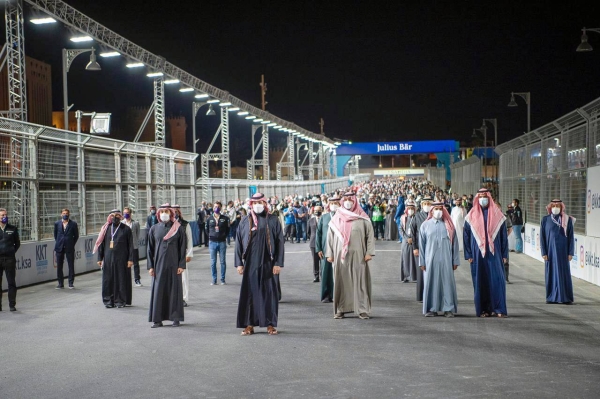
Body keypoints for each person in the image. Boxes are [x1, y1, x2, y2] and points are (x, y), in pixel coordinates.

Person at [235, 193, 284, 336]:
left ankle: (270, 324)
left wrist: (278, 263)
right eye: (254, 202)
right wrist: (239, 263)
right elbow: (238, 242)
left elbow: (280, 242)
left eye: (260, 202)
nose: (257, 205)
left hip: (269, 263)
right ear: (251, 204)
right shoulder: (245, 221)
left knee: (269, 294)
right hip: (250, 263)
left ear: (264, 204)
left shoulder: (273, 220)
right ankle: (249, 325)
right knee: (250, 294)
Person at [326, 191, 375, 320]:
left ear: (355, 201)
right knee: (341, 282)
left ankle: (362, 309)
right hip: (340, 256)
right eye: (346, 199)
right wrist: (329, 254)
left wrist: (369, 252)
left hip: (359, 255)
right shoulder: (336, 218)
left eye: (350, 199)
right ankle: (340, 309)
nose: (348, 202)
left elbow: (370, 236)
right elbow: (330, 237)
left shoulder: (362, 218)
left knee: (360, 282)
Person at [464, 188, 509, 318]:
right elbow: (466, 236)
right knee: (481, 281)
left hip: (495, 254)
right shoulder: (470, 216)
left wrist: (505, 254)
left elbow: (503, 237)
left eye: (485, 196)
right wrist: (469, 254)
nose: (483, 199)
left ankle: (499, 308)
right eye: (481, 196)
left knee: (497, 280)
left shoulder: (498, 215)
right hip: (477, 255)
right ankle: (484, 309)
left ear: (489, 198)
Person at [147, 203, 186, 328]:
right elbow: (150, 249)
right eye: (162, 211)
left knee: (175, 290)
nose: (164, 214)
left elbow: (182, 247)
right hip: (158, 266)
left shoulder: (178, 228)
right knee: (158, 291)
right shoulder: (154, 229)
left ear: (171, 213)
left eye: (167, 211)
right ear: (159, 213)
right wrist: (151, 267)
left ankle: (176, 318)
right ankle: (157, 320)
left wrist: (181, 265)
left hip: (174, 265)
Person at [419, 202, 460, 317]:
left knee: (447, 283)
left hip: (446, 260)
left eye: (440, 209)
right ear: (431, 211)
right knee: (431, 283)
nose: (438, 211)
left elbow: (455, 244)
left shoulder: (449, 226)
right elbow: (422, 245)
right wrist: (422, 261)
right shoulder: (425, 226)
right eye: (436, 209)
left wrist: (455, 260)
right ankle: (432, 309)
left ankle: (448, 308)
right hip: (429, 260)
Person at [94, 210, 134, 308]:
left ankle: (120, 300)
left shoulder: (126, 229)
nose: (114, 217)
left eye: (117, 215)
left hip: (122, 259)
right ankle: (108, 300)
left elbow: (130, 246)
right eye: (112, 216)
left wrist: (130, 259)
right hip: (108, 259)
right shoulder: (106, 229)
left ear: (120, 217)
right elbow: (101, 244)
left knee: (120, 279)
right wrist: (100, 258)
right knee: (108, 280)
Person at [540, 199, 575, 304]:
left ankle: (565, 297)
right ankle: (551, 297)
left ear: (561, 207)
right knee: (551, 273)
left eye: (558, 205)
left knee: (563, 274)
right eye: (554, 205)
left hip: (563, 252)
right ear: (550, 207)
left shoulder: (567, 220)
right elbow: (542, 237)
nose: (555, 207)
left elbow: (571, 237)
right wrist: (544, 252)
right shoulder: (545, 219)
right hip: (550, 253)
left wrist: (570, 252)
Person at [316, 195, 340, 303]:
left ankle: (340, 295)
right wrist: (319, 248)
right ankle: (326, 295)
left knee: (340, 273)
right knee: (326, 272)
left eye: (336, 203)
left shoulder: (344, 217)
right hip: (326, 249)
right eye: (332, 203)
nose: (334, 205)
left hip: (340, 249)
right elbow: (318, 233)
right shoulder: (324, 217)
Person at [172, 205, 194, 306]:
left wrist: (189, 254)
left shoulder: (185, 224)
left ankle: (183, 298)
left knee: (183, 277)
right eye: (173, 211)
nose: (175, 213)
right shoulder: (168, 224)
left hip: (182, 254)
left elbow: (189, 239)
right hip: (170, 254)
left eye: (177, 211)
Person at [53, 208, 79, 289]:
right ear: (61, 214)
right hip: (59, 247)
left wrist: (71, 243)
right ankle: (60, 283)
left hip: (69, 247)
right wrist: (59, 242)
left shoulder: (73, 224)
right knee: (59, 266)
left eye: (67, 213)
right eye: (64, 213)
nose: (65, 214)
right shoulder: (57, 223)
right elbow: (55, 235)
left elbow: (76, 236)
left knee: (71, 265)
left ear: (69, 214)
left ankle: (71, 283)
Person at [413, 196, 432, 302]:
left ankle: (431, 295)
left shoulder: (434, 216)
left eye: (429, 204)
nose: (427, 206)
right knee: (421, 272)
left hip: (432, 248)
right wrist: (415, 247)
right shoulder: (417, 216)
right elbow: (413, 232)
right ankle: (421, 296)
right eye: (425, 204)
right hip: (420, 248)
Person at [0, 208, 20, 311]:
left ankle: (12, 305)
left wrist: (11, 251)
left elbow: (17, 243)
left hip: (9, 259)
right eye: (2, 215)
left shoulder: (13, 229)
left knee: (11, 282)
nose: (4, 217)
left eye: (5, 215)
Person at [122, 207, 142, 287]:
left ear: (130, 214)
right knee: (125, 263)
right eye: (124, 213)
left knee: (135, 263)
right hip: (124, 247)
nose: (125, 214)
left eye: (127, 213)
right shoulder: (122, 223)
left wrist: (134, 242)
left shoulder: (135, 223)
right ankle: (125, 280)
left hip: (133, 246)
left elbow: (137, 234)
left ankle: (137, 279)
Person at [399, 200, 418, 283]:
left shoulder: (418, 217)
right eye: (409, 208)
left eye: (412, 208)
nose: (410, 210)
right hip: (405, 241)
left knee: (416, 259)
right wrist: (407, 238)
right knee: (405, 258)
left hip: (416, 241)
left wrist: (413, 239)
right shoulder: (403, 218)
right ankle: (406, 276)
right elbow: (400, 229)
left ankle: (416, 277)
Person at [307, 205, 323, 283]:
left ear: (321, 210)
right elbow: (308, 232)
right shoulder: (310, 220)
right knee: (315, 260)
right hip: (313, 243)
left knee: (323, 260)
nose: (317, 212)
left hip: (323, 243)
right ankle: (316, 276)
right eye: (315, 210)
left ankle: (323, 275)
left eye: (318, 210)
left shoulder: (324, 219)